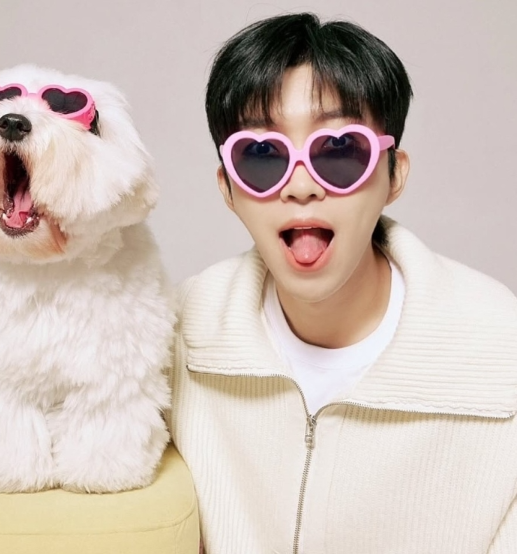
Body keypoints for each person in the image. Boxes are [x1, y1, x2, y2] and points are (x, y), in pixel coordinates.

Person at [166, 12, 517, 554]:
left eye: (338, 150)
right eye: (261, 155)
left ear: (394, 174)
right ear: (227, 187)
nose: (301, 185)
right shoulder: (170, 339)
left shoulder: (501, 353)